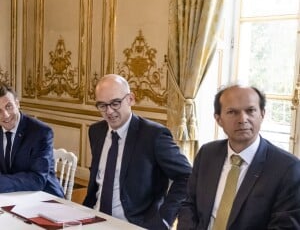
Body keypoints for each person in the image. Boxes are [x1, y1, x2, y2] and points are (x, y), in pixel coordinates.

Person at [177, 84, 300, 230]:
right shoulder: (207, 153)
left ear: (262, 114)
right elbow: (189, 204)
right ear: (218, 119)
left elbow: (285, 227)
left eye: (250, 111)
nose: (243, 119)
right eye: (232, 112)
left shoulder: (287, 167)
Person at [83, 74, 192, 229]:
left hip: (134, 224)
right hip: (94, 218)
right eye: (102, 105)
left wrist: (165, 219)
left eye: (115, 103)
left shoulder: (154, 135)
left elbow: (187, 176)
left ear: (131, 99)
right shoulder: (96, 131)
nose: (109, 112)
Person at [0, 82, 64, 197]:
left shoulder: (40, 132)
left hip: (45, 199)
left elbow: (37, 179)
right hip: (11, 197)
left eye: (8, 106)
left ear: (17, 104)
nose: (5, 115)